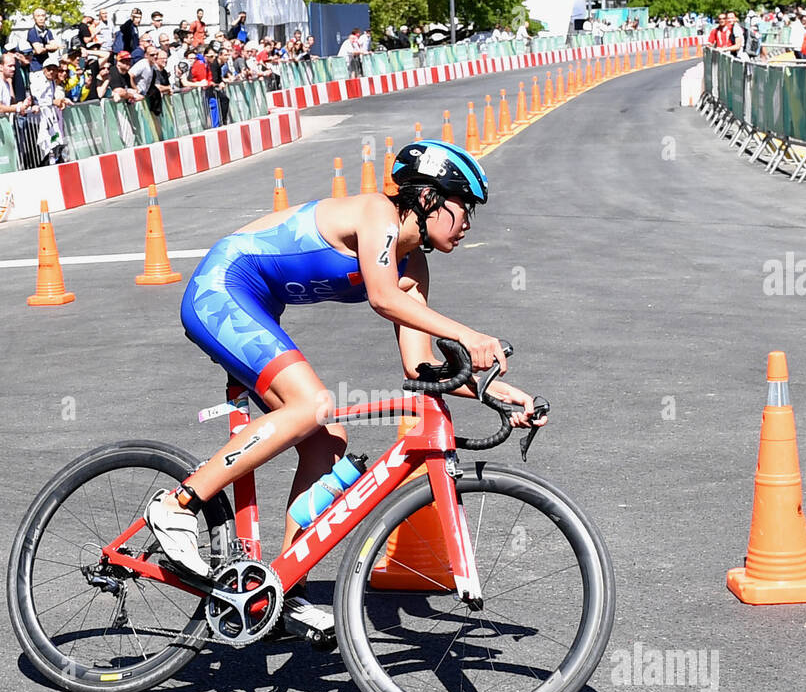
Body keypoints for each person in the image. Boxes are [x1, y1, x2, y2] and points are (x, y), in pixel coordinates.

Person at [144, 141, 545, 611]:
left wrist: (494, 392)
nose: (469, 223)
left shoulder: (413, 267)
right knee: (312, 405)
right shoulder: (378, 213)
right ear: (430, 199)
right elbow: (382, 298)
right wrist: (472, 335)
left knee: (326, 438)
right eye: (464, 207)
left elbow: (419, 369)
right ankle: (177, 505)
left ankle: (281, 586)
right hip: (221, 289)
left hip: (258, 308)